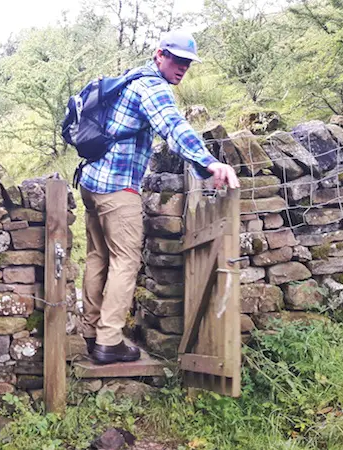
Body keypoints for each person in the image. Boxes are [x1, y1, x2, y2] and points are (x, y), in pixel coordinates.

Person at [79, 30, 240, 365]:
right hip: (117, 187)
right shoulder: (153, 86)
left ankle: (91, 331)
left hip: (92, 181)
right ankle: (109, 342)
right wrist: (208, 162)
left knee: (98, 256)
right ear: (160, 55)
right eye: (177, 60)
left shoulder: (130, 78)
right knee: (126, 260)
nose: (182, 68)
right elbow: (173, 126)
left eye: (187, 63)